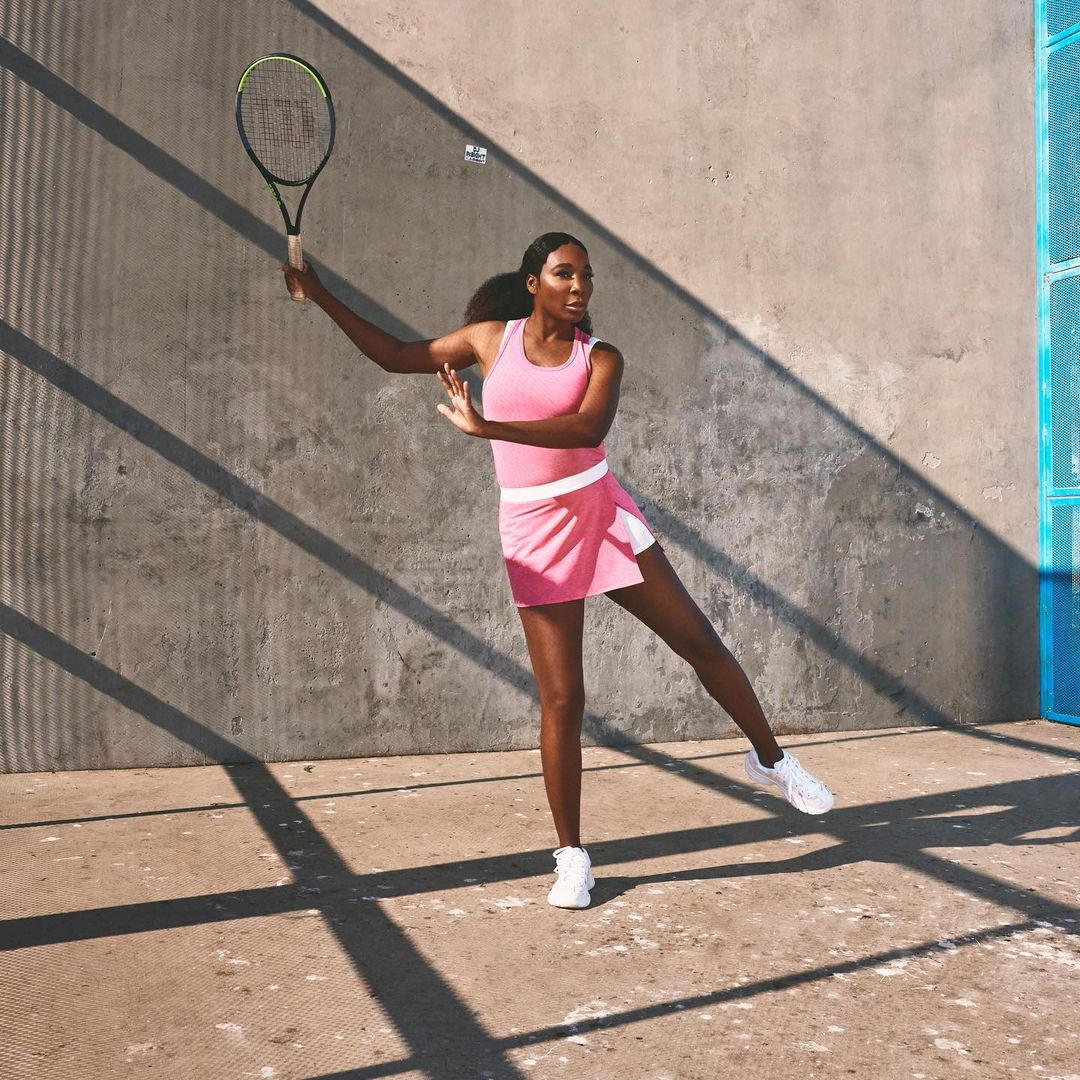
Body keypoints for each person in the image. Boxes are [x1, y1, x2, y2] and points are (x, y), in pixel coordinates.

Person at [280, 231, 834, 911]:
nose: (579, 286)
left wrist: (488, 428)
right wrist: (320, 295)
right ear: (532, 283)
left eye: (586, 277)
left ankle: (772, 761)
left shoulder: (600, 357)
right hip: (533, 530)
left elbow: (585, 430)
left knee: (699, 642)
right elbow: (396, 355)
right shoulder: (490, 341)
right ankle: (572, 858)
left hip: (599, 513)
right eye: (564, 273)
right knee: (563, 700)